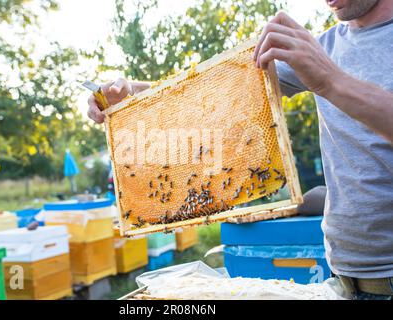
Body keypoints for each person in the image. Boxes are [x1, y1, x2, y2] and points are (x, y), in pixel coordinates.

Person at [87, 0, 393, 299]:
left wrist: (330, 79)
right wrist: (134, 98)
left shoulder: (322, 59)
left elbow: (330, 79)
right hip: (345, 277)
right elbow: (212, 98)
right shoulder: (325, 46)